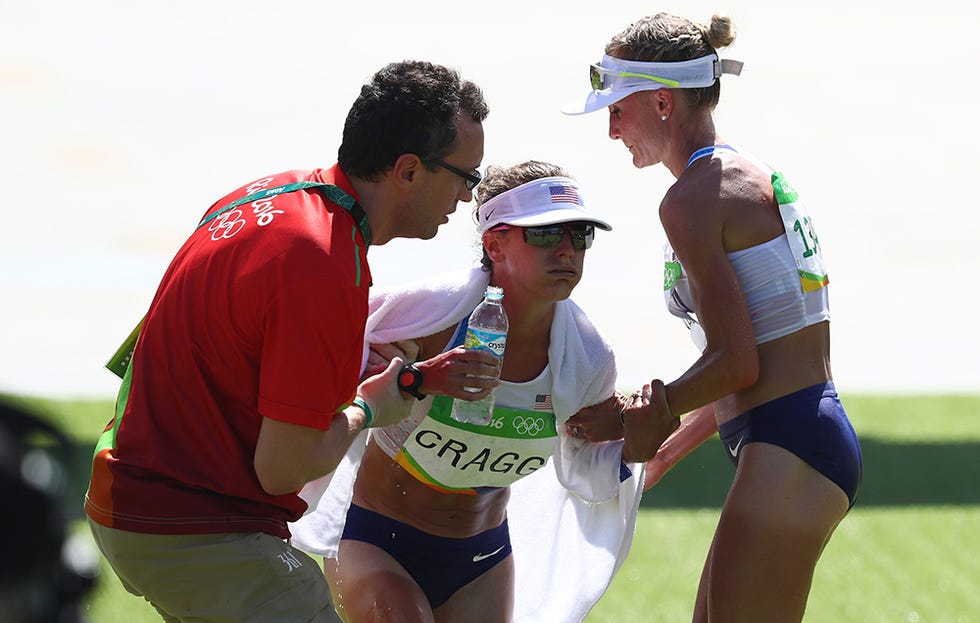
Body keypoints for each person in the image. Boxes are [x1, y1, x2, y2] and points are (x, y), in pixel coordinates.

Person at [84, 60, 493, 623]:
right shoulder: (323, 263)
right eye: (465, 177)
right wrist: (370, 406)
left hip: (136, 500)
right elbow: (283, 468)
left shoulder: (274, 194)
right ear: (407, 171)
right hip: (191, 525)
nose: (468, 198)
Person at [562, 12, 863, 623]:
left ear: (663, 102)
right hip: (794, 435)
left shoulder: (694, 198)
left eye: (618, 109)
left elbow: (737, 360)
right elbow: (760, 354)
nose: (612, 130)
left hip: (789, 443)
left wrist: (637, 410)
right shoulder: (741, 176)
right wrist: (664, 448)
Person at [289, 160, 671, 623]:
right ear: (494, 244)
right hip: (375, 537)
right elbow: (327, 343)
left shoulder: (588, 357)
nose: (567, 251)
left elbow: (586, 469)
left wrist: (636, 446)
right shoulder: (433, 316)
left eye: (580, 236)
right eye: (546, 235)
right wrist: (397, 372)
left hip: (482, 558)